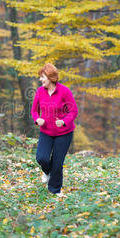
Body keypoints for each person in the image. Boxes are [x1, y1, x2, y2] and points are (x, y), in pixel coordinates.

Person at [31, 63, 78, 195]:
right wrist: (37, 119)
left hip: (64, 133)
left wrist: (64, 121)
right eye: (40, 77)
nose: (40, 79)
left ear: (51, 77)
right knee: (42, 158)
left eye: (42, 77)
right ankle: (47, 171)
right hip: (46, 131)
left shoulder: (64, 91)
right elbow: (34, 110)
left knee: (57, 163)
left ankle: (55, 190)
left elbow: (73, 111)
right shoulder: (40, 91)